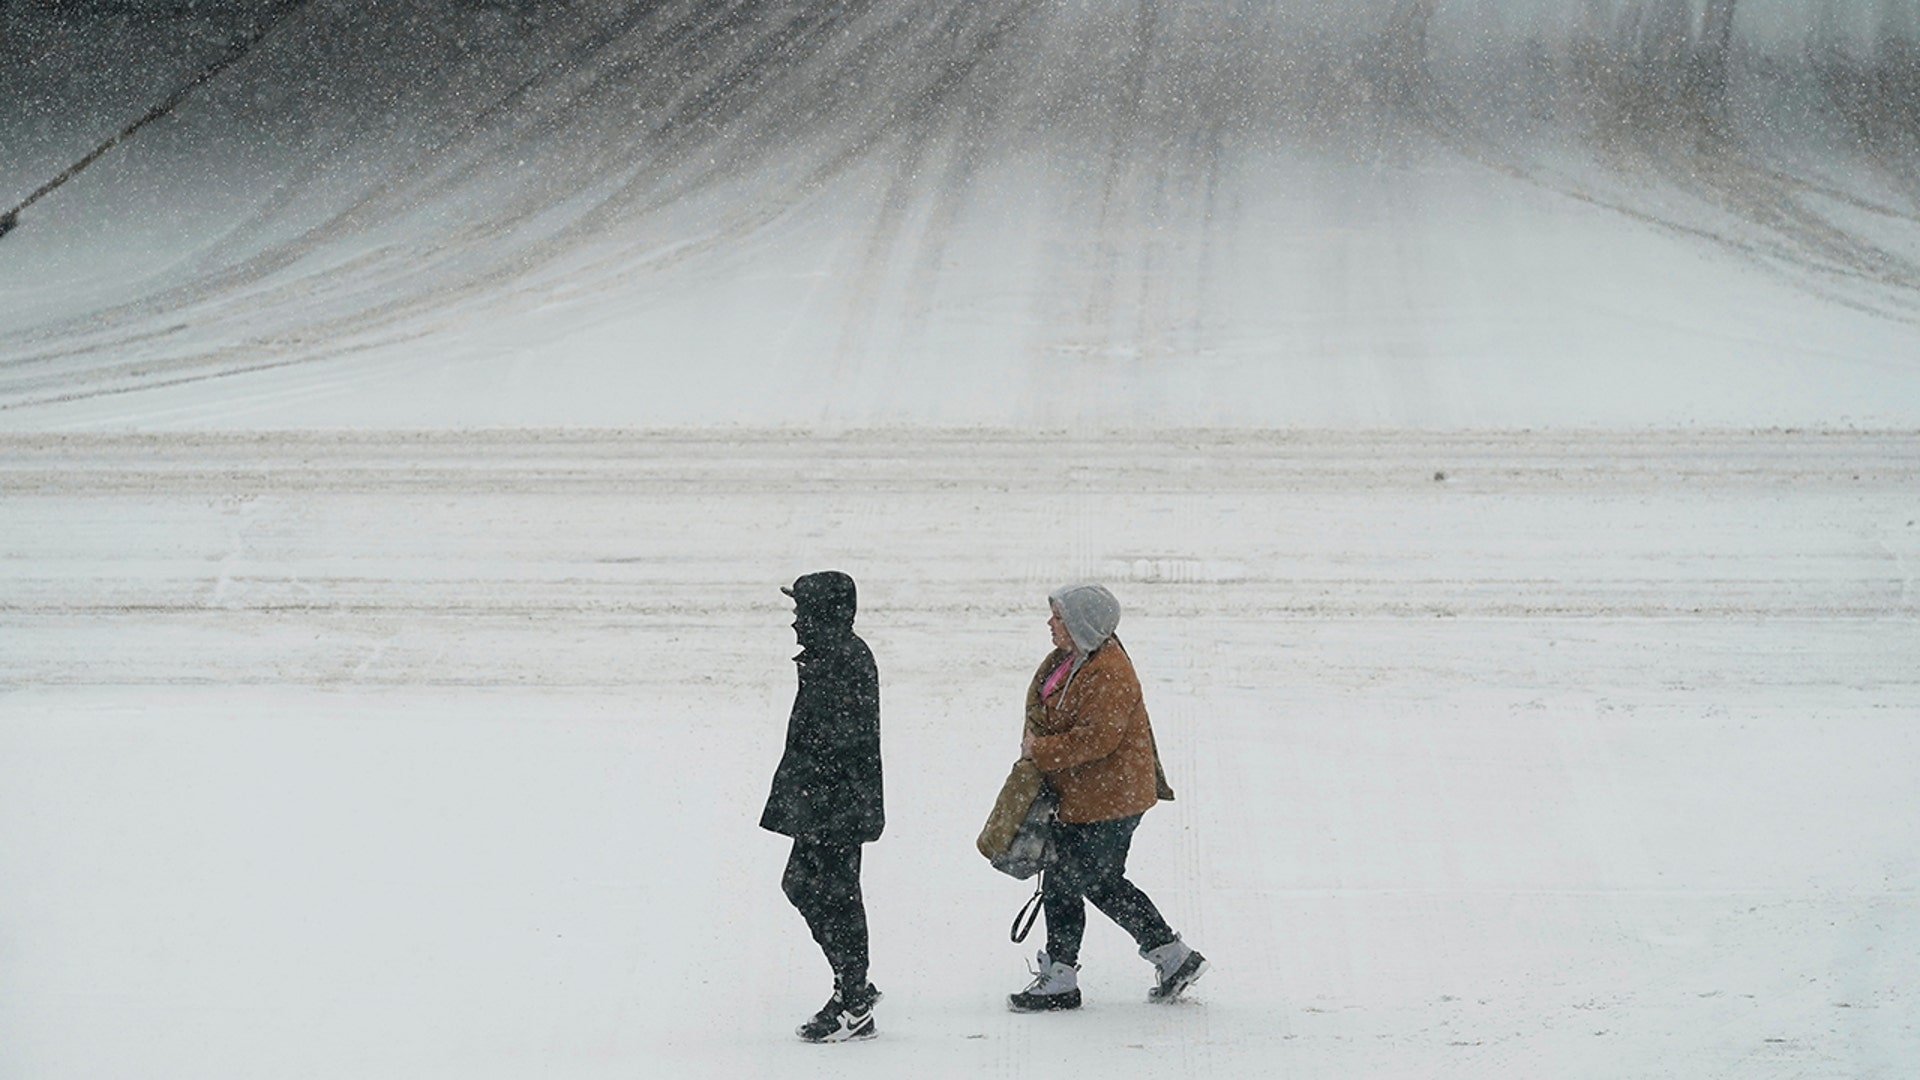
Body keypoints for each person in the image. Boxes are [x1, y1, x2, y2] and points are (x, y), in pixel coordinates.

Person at [1008, 583, 1208, 1012]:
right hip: (1086, 796)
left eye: (1058, 618)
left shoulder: (1109, 671)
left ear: (1081, 625)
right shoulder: (1075, 659)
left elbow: (1097, 738)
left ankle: (1082, 973)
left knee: (1088, 881)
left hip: (1110, 801)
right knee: (1076, 880)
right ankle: (1160, 958)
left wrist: (1037, 750)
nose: (1050, 624)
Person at [760, 571, 885, 1042]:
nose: (795, 623)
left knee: (832, 894)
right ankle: (853, 987)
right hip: (826, 806)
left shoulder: (843, 659)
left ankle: (853, 999)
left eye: (800, 612)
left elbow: (840, 744)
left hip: (835, 809)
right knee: (811, 888)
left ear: (823, 614)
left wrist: (813, 803)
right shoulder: (832, 655)